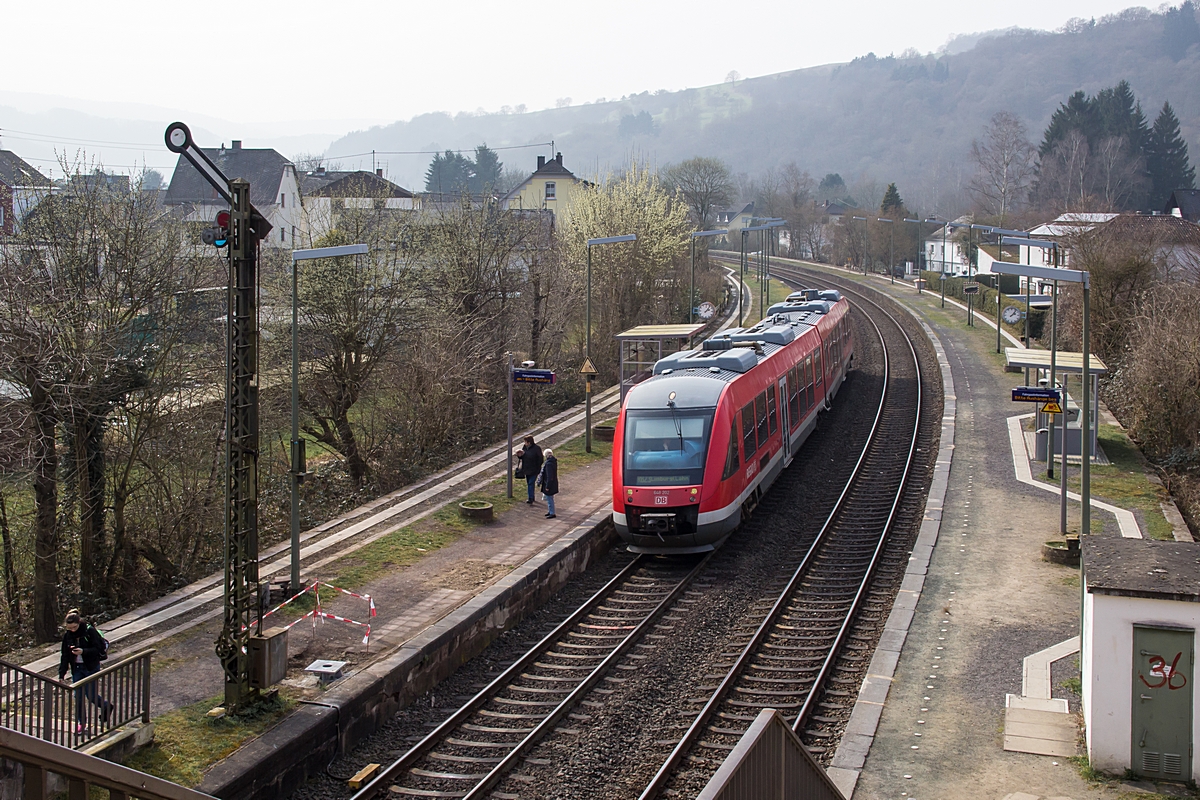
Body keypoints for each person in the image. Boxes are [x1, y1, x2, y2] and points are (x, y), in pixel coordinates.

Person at [58, 609, 113, 734]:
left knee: (91, 696)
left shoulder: (89, 631)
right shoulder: (67, 636)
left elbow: (98, 648)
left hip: (90, 667)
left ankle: (106, 706)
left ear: (79, 622)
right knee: (78, 696)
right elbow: (65, 656)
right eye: (69, 628)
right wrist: (62, 674)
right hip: (77, 668)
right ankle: (81, 723)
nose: (72, 630)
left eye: (74, 627)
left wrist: (83, 651)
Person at [515, 435, 543, 505]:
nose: (524, 443)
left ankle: (530, 498)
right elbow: (522, 458)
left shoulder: (537, 448)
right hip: (527, 469)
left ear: (529, 442)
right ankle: (532, 496)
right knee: (529, 483)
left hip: (534, 470)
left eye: (525, 442)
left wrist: (537, 467)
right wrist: (520, 455)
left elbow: (540, 459)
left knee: (531, 483)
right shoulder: (524, 448)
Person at [537, 448, 559, 519]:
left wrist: (547, 486)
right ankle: (550, 511)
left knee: (550, 499)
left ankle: (552, 513)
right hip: (553, 483)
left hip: (549, 484)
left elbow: (549, 476)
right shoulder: (553, 462)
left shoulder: (548, 464)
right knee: (550, 498)